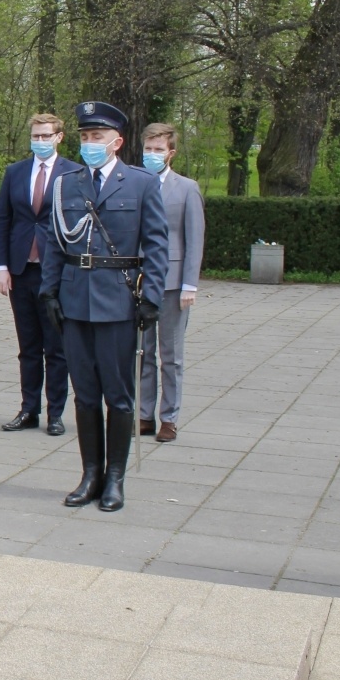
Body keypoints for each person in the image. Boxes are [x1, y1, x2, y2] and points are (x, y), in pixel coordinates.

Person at [38, 102, 168, 513]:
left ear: (117, 142)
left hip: (117, 300)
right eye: (85, 136)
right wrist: (49, 292)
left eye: (97, 137)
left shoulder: (142, 184)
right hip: (75, 299)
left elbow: (157, 246)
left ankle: (115, 479)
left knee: (119, 395)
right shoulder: (67, 184)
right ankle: (90, 474)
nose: (90, 143)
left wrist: (151, 298)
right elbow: (56, 244)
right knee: (85, 395)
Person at [0, 113, 82, 437]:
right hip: (22, 271)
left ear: (60, 137)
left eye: (46, 136)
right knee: (28, 346)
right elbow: (4, 220)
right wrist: (1, 266)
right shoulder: (15, 172)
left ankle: (55, 413)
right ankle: (29, 408)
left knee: (56, 348)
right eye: (35, 136)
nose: (40, 142)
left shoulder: (74, 172)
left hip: (56, 273)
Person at [138, 122, 204, 443]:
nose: (152, 154)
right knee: (142, 352)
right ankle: (144, 414)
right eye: (148, 149)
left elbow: (194, 238)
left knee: (171, 354)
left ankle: (170, 418)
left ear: (171, 153)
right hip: (139, 280)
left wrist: (190, 284)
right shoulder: (134, 183)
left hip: (173, 282)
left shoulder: (186, 188)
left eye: (158, 150)